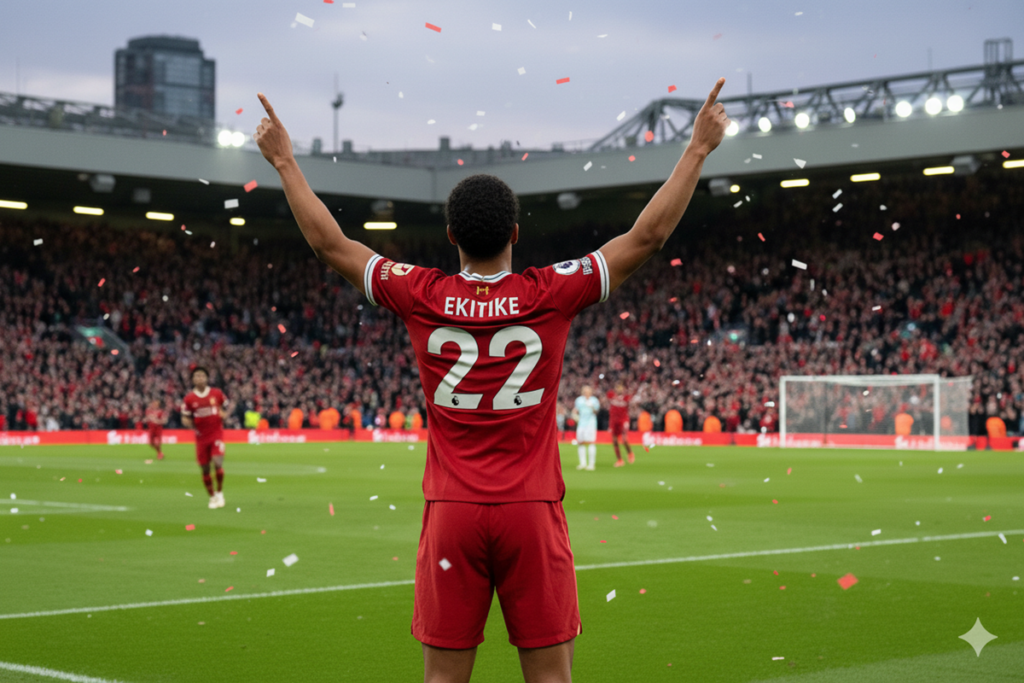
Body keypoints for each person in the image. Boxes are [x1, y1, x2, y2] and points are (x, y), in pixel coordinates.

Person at [253, 77, 729, 683]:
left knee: (443, 680)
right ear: (516, 234)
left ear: (450, 236)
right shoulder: (550, 292)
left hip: (452, 509)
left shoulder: (420, 293)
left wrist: (285, 160)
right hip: (530, 509)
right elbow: (647, 237)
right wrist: (697, 150)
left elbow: (329, 244)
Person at [180, 367, 229, 510]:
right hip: (201, 438)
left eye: (202, 376)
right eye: (196, 376)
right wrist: (189, 424)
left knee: (218, 462)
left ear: (207, 378)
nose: (199, 378)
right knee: (205, 469)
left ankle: (220, 492)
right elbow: (185, 417)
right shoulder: (189, 398)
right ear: (193, 379)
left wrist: (224, 414)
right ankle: (212, 496)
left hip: (216, 434)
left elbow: (226, 406)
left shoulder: (217, 393)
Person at [606, 383, 637, 467]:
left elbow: (633, 399)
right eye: (617, 388)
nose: (619, 390)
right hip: (614, 421)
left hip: (623, 420)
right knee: (615, 441)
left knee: (624, 439)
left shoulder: (626, 398)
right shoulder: (611, 395)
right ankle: (620, 460)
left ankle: (630, 453)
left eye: (621, 388)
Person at [572, 386, 601, 471]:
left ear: (591, 392)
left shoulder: (594, 400)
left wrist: (592, 407)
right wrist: (574, 416)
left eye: (588, 391)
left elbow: (596, 412)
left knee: (591, 442)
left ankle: (591, 464)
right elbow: (575, 410)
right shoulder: (578, 400)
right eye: (585, 391)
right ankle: (583, 463)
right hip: (581, 423)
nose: (586, 393)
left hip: (591, 424)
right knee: (580, 443)